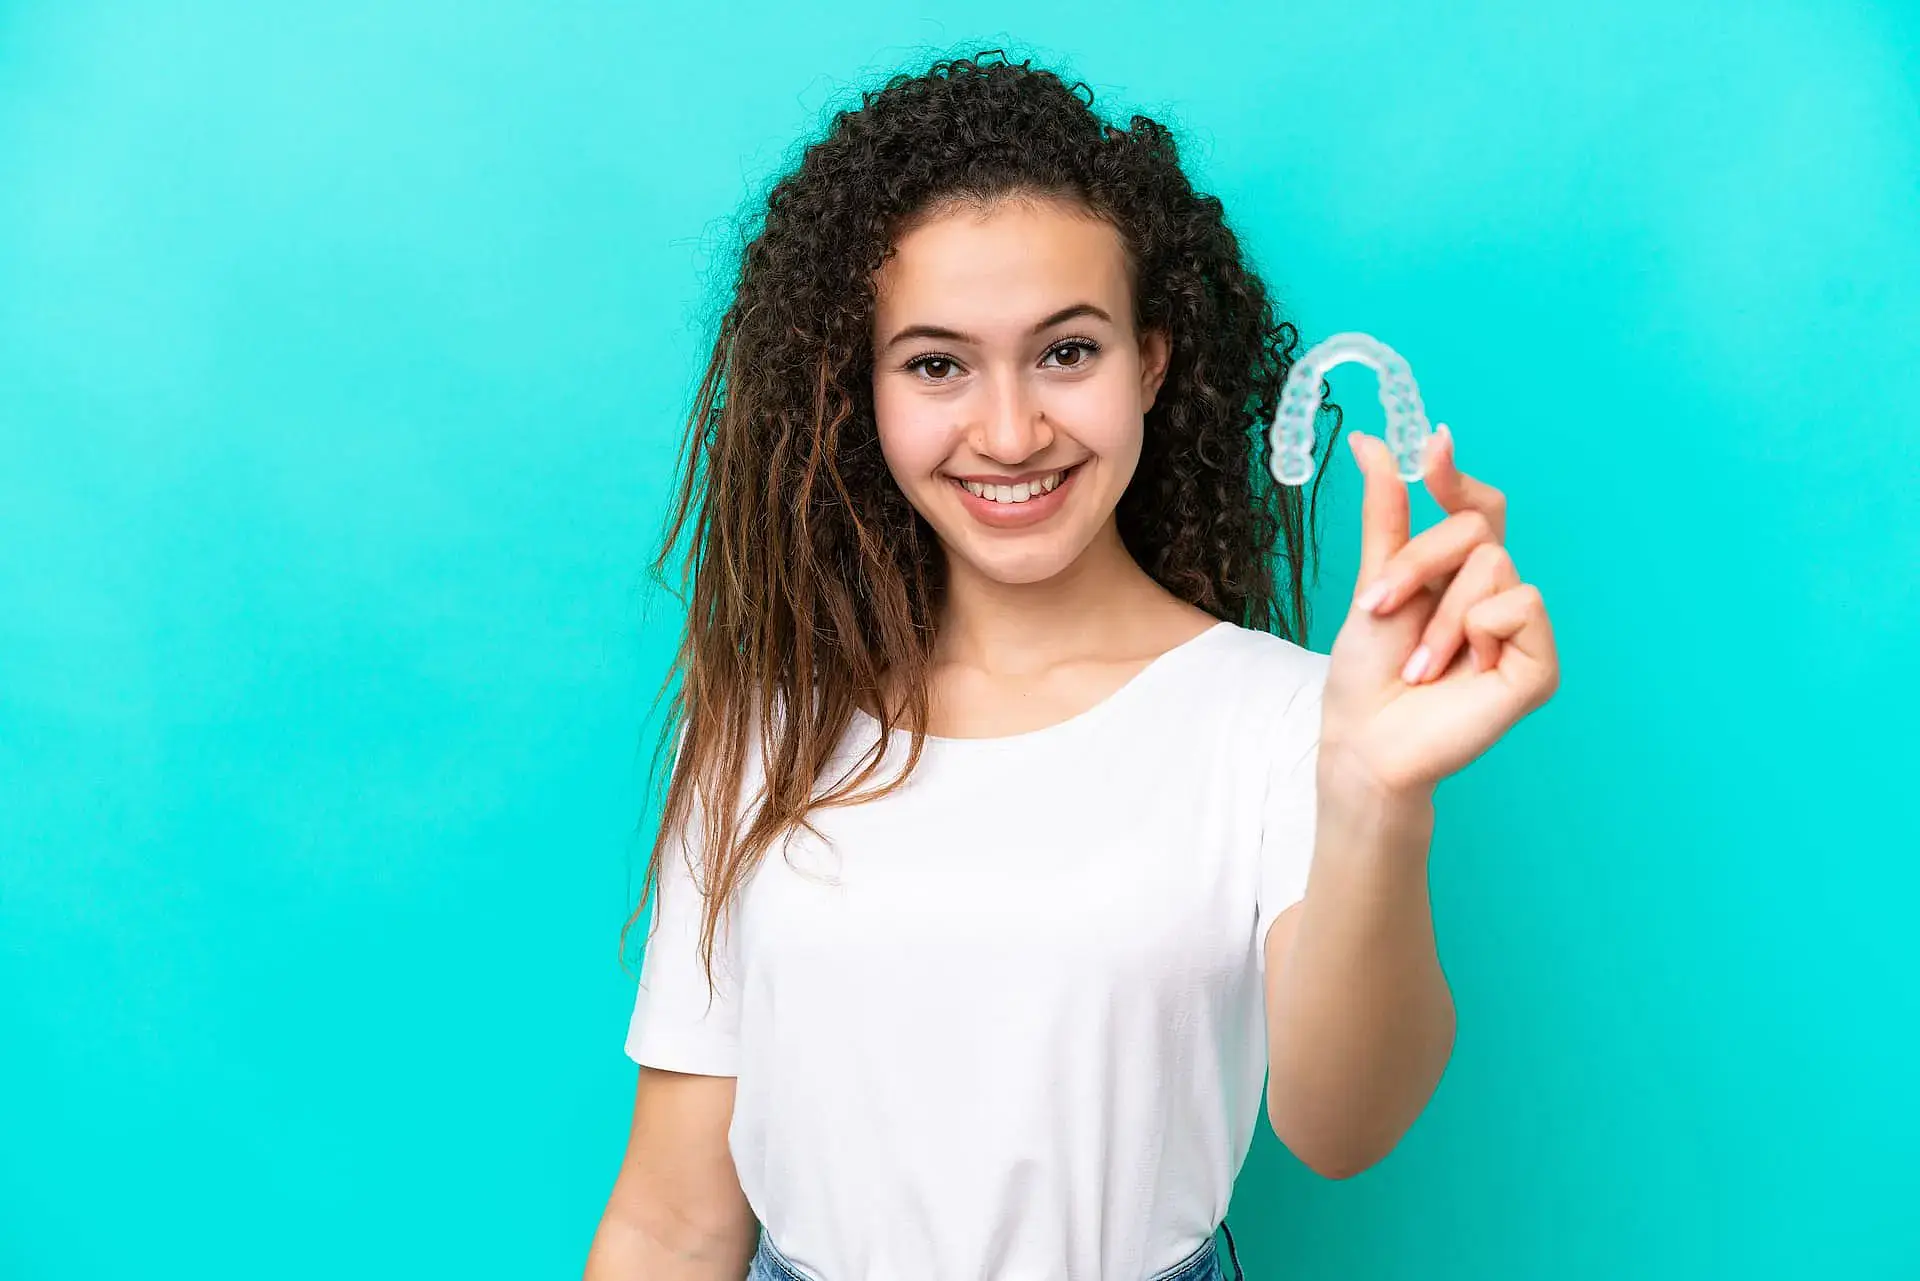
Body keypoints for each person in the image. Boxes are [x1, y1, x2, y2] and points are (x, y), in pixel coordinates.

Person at [583, 51, 1559, 1281]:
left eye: (1066, 353)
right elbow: (673, 1221)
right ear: (864, 392)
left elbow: (1344, 1126)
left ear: (1150, 361)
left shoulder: (1285, 720)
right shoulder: (765, 731)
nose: (1008, 433)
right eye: (937, 364)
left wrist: (1376, 799)